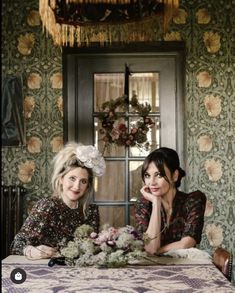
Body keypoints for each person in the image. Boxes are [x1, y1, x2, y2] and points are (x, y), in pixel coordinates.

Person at [11, 142, 106, 259]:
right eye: (72, 178)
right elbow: (17, 244)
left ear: (87, 186)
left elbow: (94, 247)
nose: (77, 186)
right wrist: (31, 250)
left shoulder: (91, 210)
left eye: (83, 181)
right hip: (48, 269)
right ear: (61, 179)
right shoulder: (47, 206)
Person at [135, 147, 206, 255]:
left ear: (174, 176)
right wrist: (156, 203)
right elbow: (150, 248)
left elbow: (186, 243)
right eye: (147, 176)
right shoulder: (144, 204)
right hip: (151, 267)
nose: (152, 182)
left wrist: (159, 251)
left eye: (159, 175)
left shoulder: (193, 200)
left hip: (185, 266)